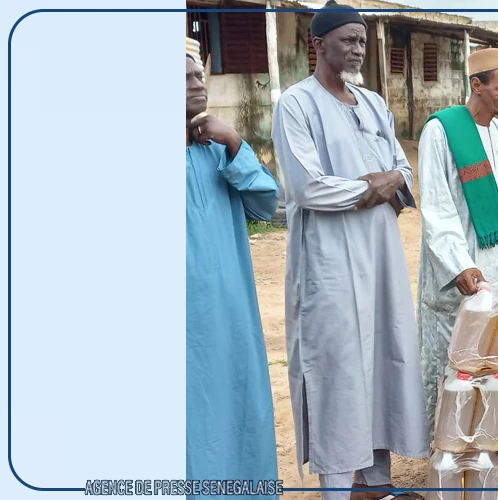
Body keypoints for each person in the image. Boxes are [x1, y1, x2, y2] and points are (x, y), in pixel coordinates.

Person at [271, 2, 426, 499]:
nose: (358, 49)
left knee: (383, 356)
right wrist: (374, 188)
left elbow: (404, 168)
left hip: (379, 257)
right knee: (337, 366)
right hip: (330, 261)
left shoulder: (374, 102)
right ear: (318, 45)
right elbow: (306, 188)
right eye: (347, 40)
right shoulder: (296, 103)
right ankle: (338, 487)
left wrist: (390, 180)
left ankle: (375, 484)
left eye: (361, 40)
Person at [185, 37, 280, 500]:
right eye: (182, 78)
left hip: (232, 307)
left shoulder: (216, 149)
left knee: (239, 400)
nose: (195, 83)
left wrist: (236, 141)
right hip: (186, 319)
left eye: (198, 74)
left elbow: (267, 202)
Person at [417, 48, 498, 435]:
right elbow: (436, 206)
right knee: (457, 367)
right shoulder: (441, 130)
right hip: (462, 272)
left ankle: (488, 451)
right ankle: (448, 453)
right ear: (476, 85)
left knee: (496, 366)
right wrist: (460, 264)